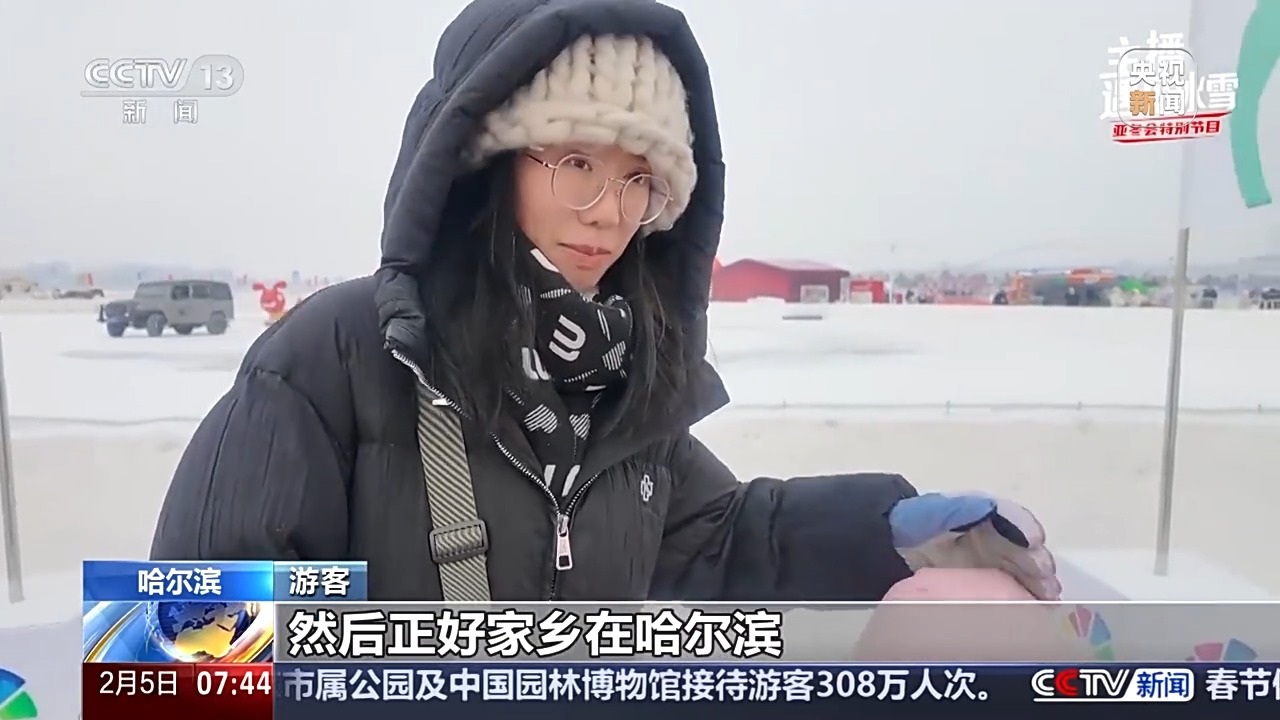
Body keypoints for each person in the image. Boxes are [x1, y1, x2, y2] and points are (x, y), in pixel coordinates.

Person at [150, 0, 1060, 603]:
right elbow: (187, 657)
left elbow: (714, 539)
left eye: (638, 181)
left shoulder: (621, 386)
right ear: (484, 167)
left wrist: (886, 531)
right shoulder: (335, 360)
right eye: (577, 162)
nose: (608, 214)